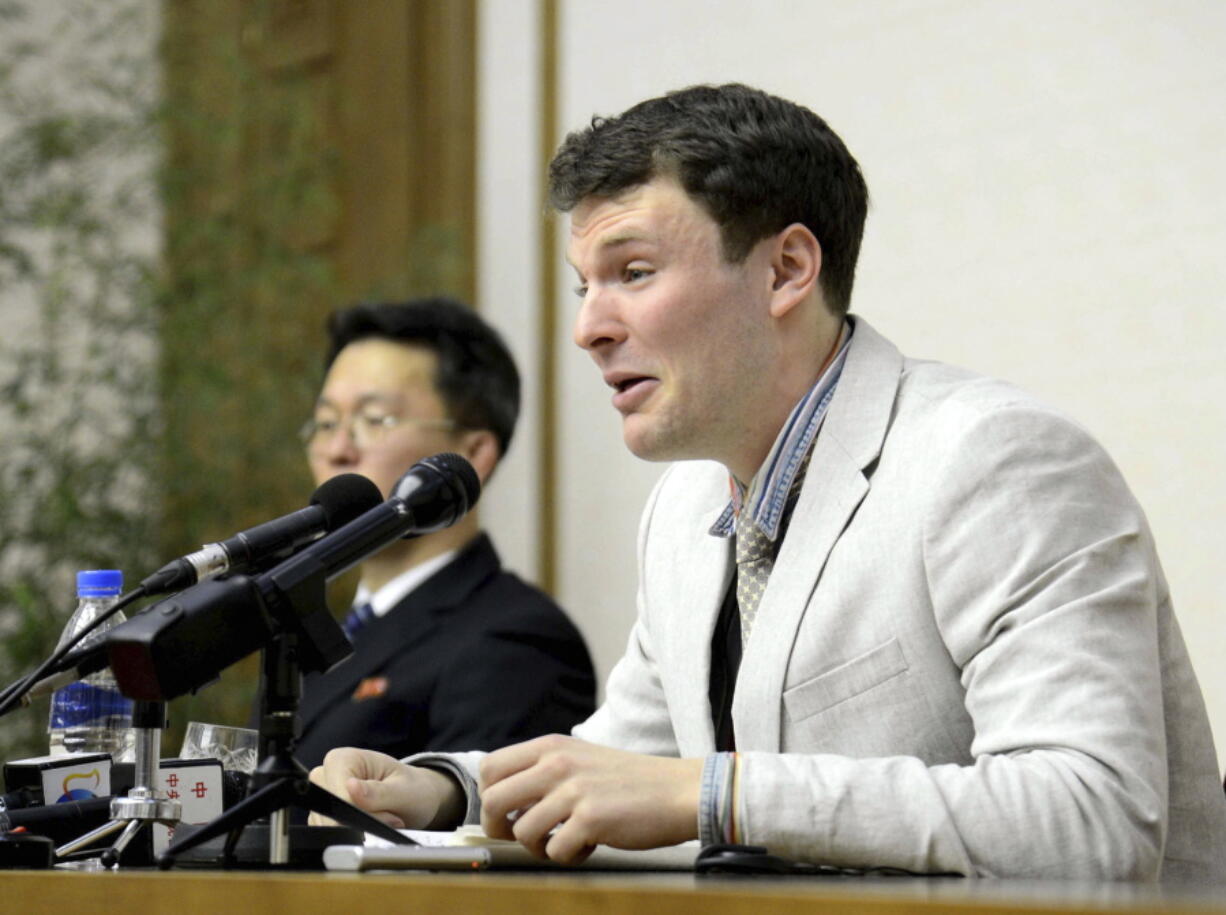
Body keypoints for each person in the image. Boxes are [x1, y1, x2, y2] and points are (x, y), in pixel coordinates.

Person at [308, 86, 1226, 880]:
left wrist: (718, 793)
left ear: (788, 268)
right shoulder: (686, 506)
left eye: (632, 272)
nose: (590, 326)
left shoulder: (995, 460)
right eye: (582, 285)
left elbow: (1096, 817)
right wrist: (441, 789)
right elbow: (620, 768)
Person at [292, 298, 596, 769]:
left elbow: (479, 835)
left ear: (471, 454)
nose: (336, 450)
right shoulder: (315, 633)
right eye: (327, 422)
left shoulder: (516, 640)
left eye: (374, 420)